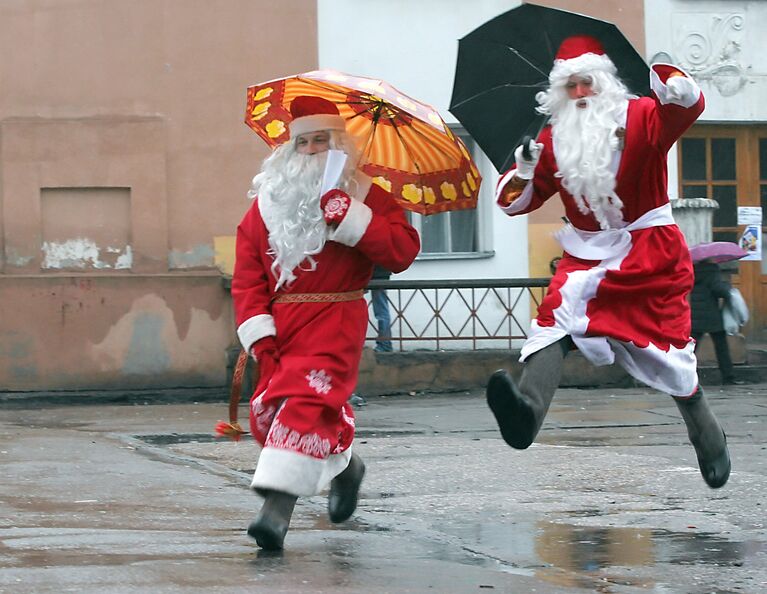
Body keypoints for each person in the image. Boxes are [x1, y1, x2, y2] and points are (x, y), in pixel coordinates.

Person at [486, 35, 730, 489]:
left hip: (649, 253)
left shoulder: (641, 117)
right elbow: (516, 204)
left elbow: (689, 105)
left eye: (587, 83)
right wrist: (522, 170)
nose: (579, 94)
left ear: (604, 83)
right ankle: (526, 413)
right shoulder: (552, 141)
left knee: (670, 355)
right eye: (570, 86)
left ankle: (706, 432)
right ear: (559, 93)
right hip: (585, 255)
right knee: (554, 322)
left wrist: (664, 70)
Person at [231, 95, 420, 549]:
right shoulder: (267, 204)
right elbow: (248, 275)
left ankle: (274, 513)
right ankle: (348, 467)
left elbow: (402, 251)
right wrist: (260, 333)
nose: (312, 151)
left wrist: (353, 218)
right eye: (304, 143)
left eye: (322, 141)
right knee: (277, 410)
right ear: (289, 150)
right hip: (282, 325)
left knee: (305, 404)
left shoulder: (367, 194)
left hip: (336, 317)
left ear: (339, 146)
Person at [690, 259, 742, 385]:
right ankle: (728, 377)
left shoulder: (692, 270)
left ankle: (683, 375)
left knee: (690, 348)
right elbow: (718, 289)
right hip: (712, 315)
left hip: (696, 315)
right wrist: (727, 287)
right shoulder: (712, 270)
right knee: (721, 347)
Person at [370, 264, 393, 352]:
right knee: (382, 309)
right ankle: (385, 343)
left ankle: (385, 344)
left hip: (372, 272)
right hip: (382, 272)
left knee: (381, 311)